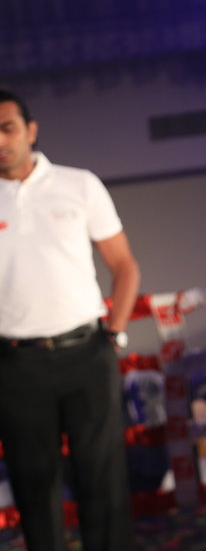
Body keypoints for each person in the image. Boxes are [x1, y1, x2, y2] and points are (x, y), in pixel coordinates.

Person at [0, 90, 140, 551]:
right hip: (15, 364)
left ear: (30, 131)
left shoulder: (78, 184)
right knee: (34, 486)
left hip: (87, 353)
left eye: (7, 128)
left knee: (103, 481)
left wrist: (114, 335)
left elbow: (124, 266)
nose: (0, 141)